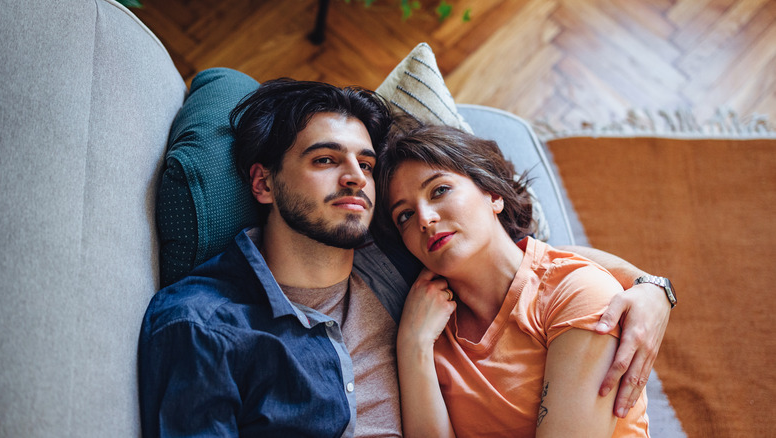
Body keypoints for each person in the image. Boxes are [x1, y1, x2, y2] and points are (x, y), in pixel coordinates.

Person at [138, 78, 672, 437]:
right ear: (263, 182)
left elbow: (533, 262)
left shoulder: (402, 269)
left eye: (366, 165)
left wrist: (651, 286)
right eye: (325, 159)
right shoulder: (203, 324)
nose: (354, 178)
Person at [373, 123, 653, 437]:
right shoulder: (426, 329)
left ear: (492, 194)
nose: (425, 218)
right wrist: (413, 348)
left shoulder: (577, 290)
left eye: (439, 190)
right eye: (405, 215)